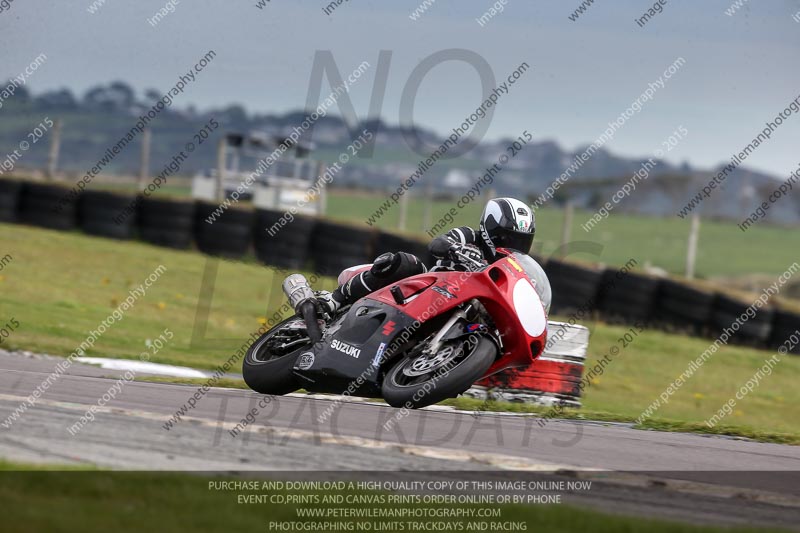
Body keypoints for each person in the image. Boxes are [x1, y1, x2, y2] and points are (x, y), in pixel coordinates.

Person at [314, 197, 535, 316]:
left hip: (466, 307)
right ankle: (334, 300)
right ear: (490, 230)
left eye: (521, 242)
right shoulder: (469, 236)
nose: (513, 246)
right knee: (404, 262)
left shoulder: (511, 269)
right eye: (508, 238)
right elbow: (438, 242)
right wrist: (455, 249)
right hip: (431, 287)